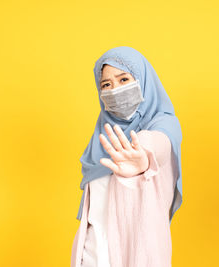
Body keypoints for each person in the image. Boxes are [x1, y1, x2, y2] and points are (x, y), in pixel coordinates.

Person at [70, 46, 183, 267]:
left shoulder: (163, 123)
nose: (115, 89)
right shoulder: (101, 138)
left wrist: (144, 155)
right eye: (106, 84)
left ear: (143, 80)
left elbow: (159, 142)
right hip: (92, 256)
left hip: (138, 256)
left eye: (124, 80)